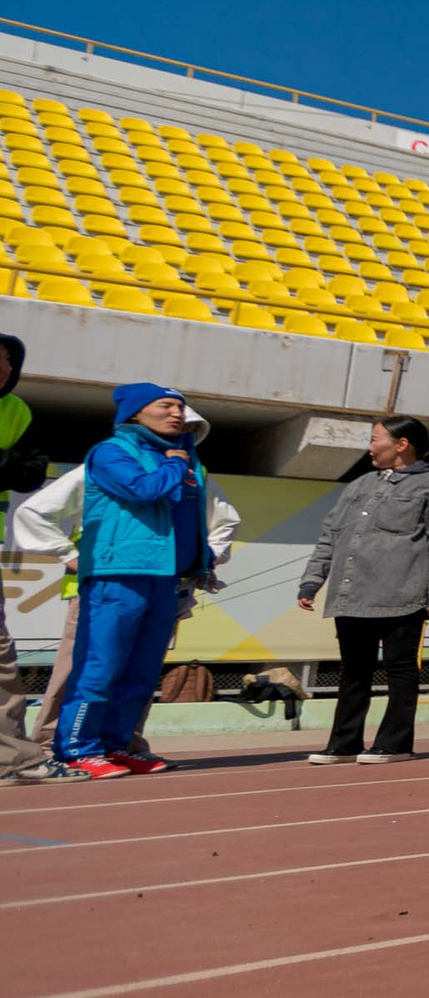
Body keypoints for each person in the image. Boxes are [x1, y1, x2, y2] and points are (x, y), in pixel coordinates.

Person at [18, 402, 241, 774]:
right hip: (112, 579)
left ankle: (116, 745)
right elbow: (39, 511)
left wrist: (205, 560)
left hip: (166, 582)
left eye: (182, 411)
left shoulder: (192, 467)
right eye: (166, 407)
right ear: (136, 413)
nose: (177, 416)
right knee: (95, 667)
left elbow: (223, 521)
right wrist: (67, 554)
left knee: (141, 671)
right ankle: (72, 748)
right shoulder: (112, 455)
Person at [299, 415, 429, 765]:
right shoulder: (358, 486)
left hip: (402, 593)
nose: (370, 447)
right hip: (351, 595)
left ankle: (395, 743)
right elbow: (330, 535)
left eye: (376, 439)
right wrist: (313, 580)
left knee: (400, 669)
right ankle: (344, 744)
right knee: (353, 672)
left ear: (401, 445)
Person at [0, 334, 50, 782]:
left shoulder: (18, 412)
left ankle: (12, 756)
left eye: (7, 360)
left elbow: (31, 474)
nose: (2, 366)